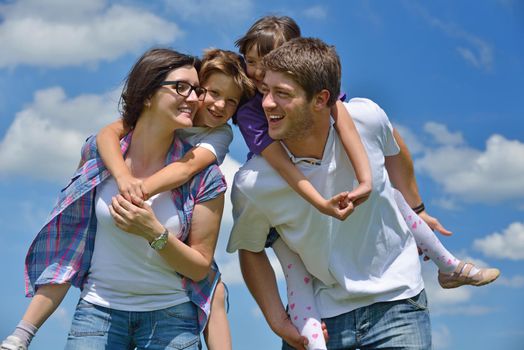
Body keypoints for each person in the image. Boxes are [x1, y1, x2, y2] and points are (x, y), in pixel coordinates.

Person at [231, 15, 500, 350]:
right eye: (262, 82)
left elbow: (395, 153)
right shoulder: (255, 179)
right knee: (292, 263)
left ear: (320, 98)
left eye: (281, 91)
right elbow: (251, 247)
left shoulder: (365, 117)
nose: (266, 98)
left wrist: (415, 206)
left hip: (397, 303)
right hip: (320, 315)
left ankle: (452, 268)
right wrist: (276, 319)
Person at [1, 48, 226, 350]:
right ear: (147, 94)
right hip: (97, 311)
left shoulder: (204, 176)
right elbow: (71, 244)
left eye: (196, 89)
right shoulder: (98, 155)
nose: (195, 98)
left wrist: (153, 232)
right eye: (181, 87)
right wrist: (22, 334)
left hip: (171, 318)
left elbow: (199, 268)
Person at [93, 48, 255, 350]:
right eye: (212, 93)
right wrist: (123, 176)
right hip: (127, 266)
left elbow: (187, 167)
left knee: (214, 291)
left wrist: (138, 191)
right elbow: (107, 134)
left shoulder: (219, 134)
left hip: (184, 215)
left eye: (231, 101)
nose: (220, 105)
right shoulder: (174, 110)